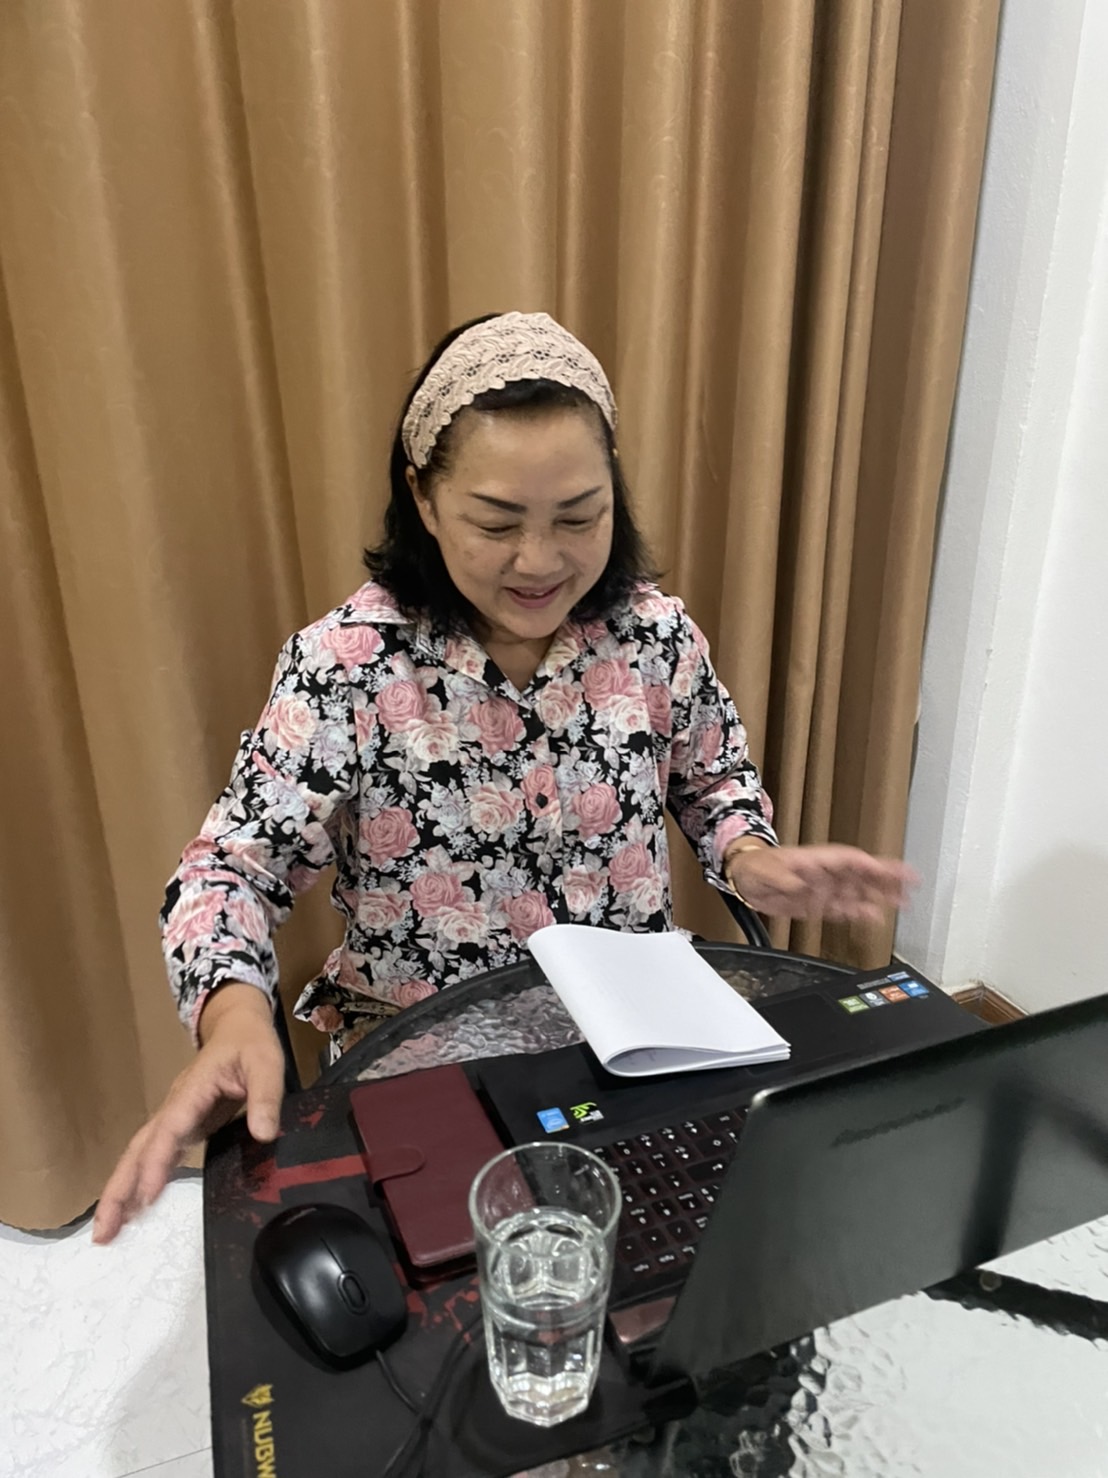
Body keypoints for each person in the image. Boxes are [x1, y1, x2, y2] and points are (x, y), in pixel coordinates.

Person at [94, 311, 915, 1243]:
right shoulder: (350, 666)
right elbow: (228, 871)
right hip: (428, 1066)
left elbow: (711, 781)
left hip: (642, 1044)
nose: (541, 561)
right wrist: (235, 1013)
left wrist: (748, 855)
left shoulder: (654, 637)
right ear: (424, 499)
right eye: (496, 522)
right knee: (470, 1289)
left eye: (580, 516)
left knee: (704, 1259)